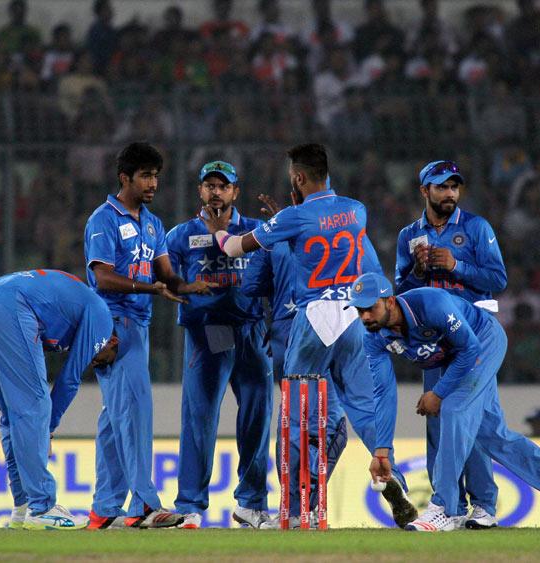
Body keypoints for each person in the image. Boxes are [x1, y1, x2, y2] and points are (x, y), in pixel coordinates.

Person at [200, 143, 417, 528]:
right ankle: (393, 478)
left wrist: (219, 231)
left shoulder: (294, 217)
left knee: (298, 416)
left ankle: (297, 508)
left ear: (298, 178)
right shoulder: (356, 210)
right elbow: (333, 235)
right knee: (364, 409)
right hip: (353, 315)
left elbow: (234, 248)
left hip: (313, 318)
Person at [349, 272, 540, 532]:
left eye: (370, 308)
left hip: (483, 342)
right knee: (491, 435)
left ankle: (446, 508)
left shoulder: (430, 304)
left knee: (454, 410)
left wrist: (438, 393)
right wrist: (381, 451)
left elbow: (470, 349)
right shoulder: (373, 337)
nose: (365, 316)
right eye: (359, 310)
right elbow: (384, 394)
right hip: (454, 359)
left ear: (389, 301)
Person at [84, 142, 215, 530]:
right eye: (145, 175)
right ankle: (143, 505)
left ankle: (104, 509)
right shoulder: (103, 220)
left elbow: (165, 275)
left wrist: (187, 287)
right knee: (136, 413)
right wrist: (149, 288)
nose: (153, 183)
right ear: (124, 178)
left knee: (115, 420)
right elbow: (102, 276)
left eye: (156, 175)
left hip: (135, 325)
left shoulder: (153, 223)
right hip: (112, 325)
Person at [0, 269, 119, 530]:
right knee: (35, 404)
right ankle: (42, 507)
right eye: (101, 358)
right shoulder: (101, 317)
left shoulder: (72, 312)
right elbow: (69, 378)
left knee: (14, 412)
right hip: (8, 308)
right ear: (112, 341)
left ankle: (22, 507)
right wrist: (48, 428)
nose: (94, 361)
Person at [395, 160, 507, 529]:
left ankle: (484, 506)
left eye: (454, 187)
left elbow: (497, 278)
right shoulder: (409, 235)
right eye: (442, 187)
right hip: (434, 339)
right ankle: (450, 508)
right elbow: (400, 293)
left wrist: (456, 265)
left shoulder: (475, 227)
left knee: (471, 419)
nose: (450, 194)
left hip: (472, 335)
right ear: (424, 190)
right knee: (439, 422)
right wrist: (416, 271)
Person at [165, 160, 272, 529]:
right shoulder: (180, 236)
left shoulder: (257, 231)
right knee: (199, 421)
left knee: (257, 420)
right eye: (209, 185)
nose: (216, 192)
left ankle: (251, 505)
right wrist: (185, 291)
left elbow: (278, 271)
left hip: (251, 330)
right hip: (207, 332)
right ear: (199, 191)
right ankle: (190, 506)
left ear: (234, 192)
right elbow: (168, 283)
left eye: (222, 186)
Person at [241, 239, 348, 527]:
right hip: (315, 337)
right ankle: (299, 509)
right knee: (329, 428)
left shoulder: (271, 242)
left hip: (285, 337)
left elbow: (249, 285)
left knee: (294, 424)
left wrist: (276, 310)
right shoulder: (329, 237)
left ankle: (295, 509)